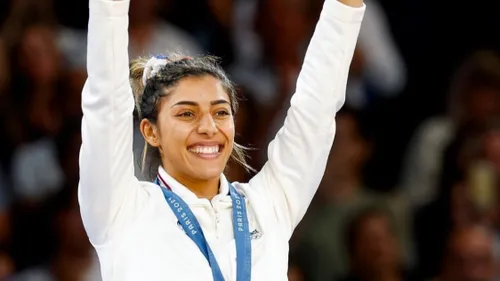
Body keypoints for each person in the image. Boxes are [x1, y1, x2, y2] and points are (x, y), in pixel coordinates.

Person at [79, 0, 365, 280]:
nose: (208, 127)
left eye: (220, 112)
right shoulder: (121, 209)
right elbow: (106, 103)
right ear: (151, 131)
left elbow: (316, 107)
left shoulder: (269, 205)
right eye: (187, 113)